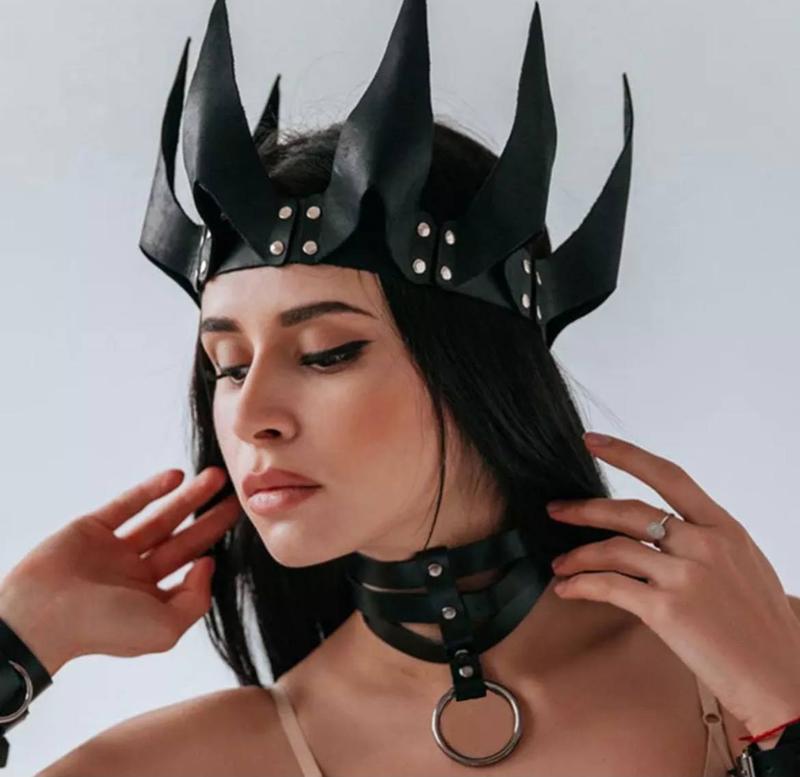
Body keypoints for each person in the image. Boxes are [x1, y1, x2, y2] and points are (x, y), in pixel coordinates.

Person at [2, 1, 800, 775]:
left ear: (479, 369)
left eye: (327, 352)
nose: (249, 416)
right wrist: (16, 645)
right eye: (230, 365)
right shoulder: (185, 763)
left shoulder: (757, 658)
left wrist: (784, 710)